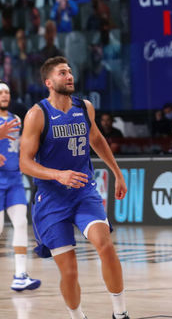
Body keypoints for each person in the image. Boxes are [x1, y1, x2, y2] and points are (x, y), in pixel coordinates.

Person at [19, 56, 130, 319]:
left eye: (69, 71)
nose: (69, 76)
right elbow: (24, 163)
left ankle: (120, 313)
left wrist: (117, 173)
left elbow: (97, 140)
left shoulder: (85, 107)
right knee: (69, 271)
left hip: (83, 192)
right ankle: (77, 316)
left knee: (105, 245)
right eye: (61, 73)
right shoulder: (37, 114)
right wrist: (58, 175)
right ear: (48, 82)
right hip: (51, 199)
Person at [0, 82, 41, 292]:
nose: (4, 95)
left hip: (15, 179)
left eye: (7, 92)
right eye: (0, 92)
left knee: (21, 224)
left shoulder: (16, 119)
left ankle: (20, 275)